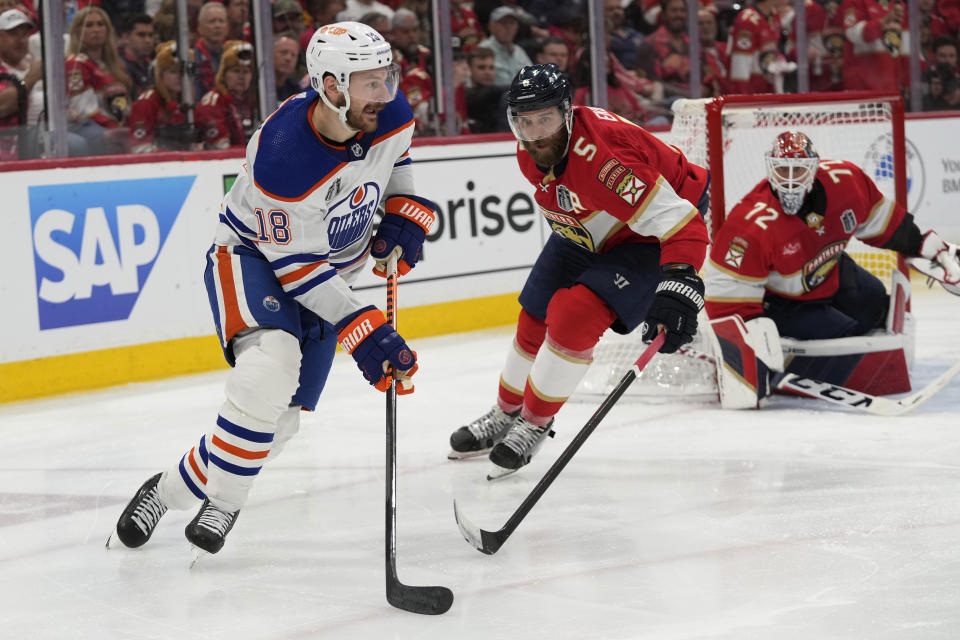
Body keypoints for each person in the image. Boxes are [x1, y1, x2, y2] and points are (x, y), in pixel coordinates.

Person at [108, 21, 434, 559]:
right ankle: (227, 501)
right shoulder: (284, 154)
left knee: (277, 424)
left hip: (332, 276)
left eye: (388, 77)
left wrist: (403, 209)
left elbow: (395, 160)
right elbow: (299, 271)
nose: (387, 93)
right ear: (331, 87)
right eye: (370, 82)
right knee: (268, 370)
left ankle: (165, 490)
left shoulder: (388, 112)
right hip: (255, 261)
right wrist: (361, 325)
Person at [448, 64, 710, 477]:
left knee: (573, 316)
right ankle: (505, 412)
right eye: (525, 121)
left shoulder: (606, 163)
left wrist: (679, 283)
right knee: (534, 312)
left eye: (546, 119)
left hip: (647, 233)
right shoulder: (530, 146)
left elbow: (683, 224)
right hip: (589, 225)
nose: (535, 133)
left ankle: (533, 424)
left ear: (568, 113)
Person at [703, 131, 960, 401]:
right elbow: (726, 299)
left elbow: (882, 221)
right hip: (783, 301)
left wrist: (924, 246)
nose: (790, 180)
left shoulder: (845, 182)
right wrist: (752, 351)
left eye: (799, 170)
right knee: (841, 337)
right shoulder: (749, 226)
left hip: (831, 270)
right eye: (782, 170)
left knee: (876, 306)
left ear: (814, 168)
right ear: (770, 168)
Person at [65, 5, 133, 156]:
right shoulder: (75, 64)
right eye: (89, 25)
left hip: (115, 126)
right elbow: (84, 110)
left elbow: (125, 106)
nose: (96, 29)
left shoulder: (115, 65)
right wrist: (115, 127)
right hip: (89, 128)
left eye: (100, 24)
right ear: (77, 32)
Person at [128, 41, 196, 153]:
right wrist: (172, 155)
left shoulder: (187, 99)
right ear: (160, 75)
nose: (180, 77)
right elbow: (140, 148)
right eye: (173, 72)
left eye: (184, 71)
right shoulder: (146, 102)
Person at [194, 40, 256, 149]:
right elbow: (220, 149)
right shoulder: (212, 104)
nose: (241, 77)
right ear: (223, 74)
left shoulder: (257, 101)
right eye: (236, 71)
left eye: (246, 72)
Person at [0, 7, 42, 160]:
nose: (20, 39)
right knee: (77, 144)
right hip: (13, 142)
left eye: (24, 34)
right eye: (13, 34)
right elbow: (2, 106)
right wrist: (30, 79)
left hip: (46, 132)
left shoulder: (32, 62)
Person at [478, 6, 532, 87]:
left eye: (512, 23)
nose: (508, 27)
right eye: (503, 22)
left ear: (517, 28)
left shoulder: (519, 51)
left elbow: (532, 79)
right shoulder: (483, 49)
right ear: (491, 27)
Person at [193, 1, 228, 99]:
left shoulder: (233, 56)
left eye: (221, 21)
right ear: (200, 28)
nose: (217, 26)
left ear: (227, 27)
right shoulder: (192, 59)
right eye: (212, 21)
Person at [118, 13, 156, 99]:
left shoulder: (155, 65)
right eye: (141, 35)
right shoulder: (118, 66)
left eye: (151, 35)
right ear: (126, 38)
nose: (148, 40)